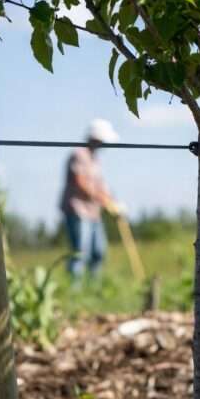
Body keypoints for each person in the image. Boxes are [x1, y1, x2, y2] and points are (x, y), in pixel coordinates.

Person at [60, 119, 121, 279]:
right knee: (80, 253)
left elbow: (100, 186)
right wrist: (104, 200)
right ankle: (75, 291)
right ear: (97, 138)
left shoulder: (95, 160)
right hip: (78, 211)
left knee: (98, 252)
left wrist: (113, 202)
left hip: (93, 212)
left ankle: (93, 288)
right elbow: (80, 183)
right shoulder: (79, 154)